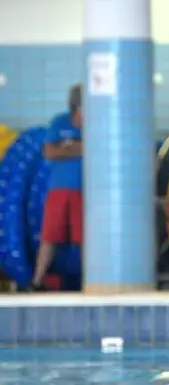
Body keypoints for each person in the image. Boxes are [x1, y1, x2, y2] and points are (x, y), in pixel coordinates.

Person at [30, 84, 83, 291]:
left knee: (85, 238)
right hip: (58, 189)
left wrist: (67, 148)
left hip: (84, 191)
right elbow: (49, 152)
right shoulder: (59, 123)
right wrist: (79, 148)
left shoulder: (96, 125)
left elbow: (95, 149)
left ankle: (91, 280)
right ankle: (37, 280)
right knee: (49, 236)